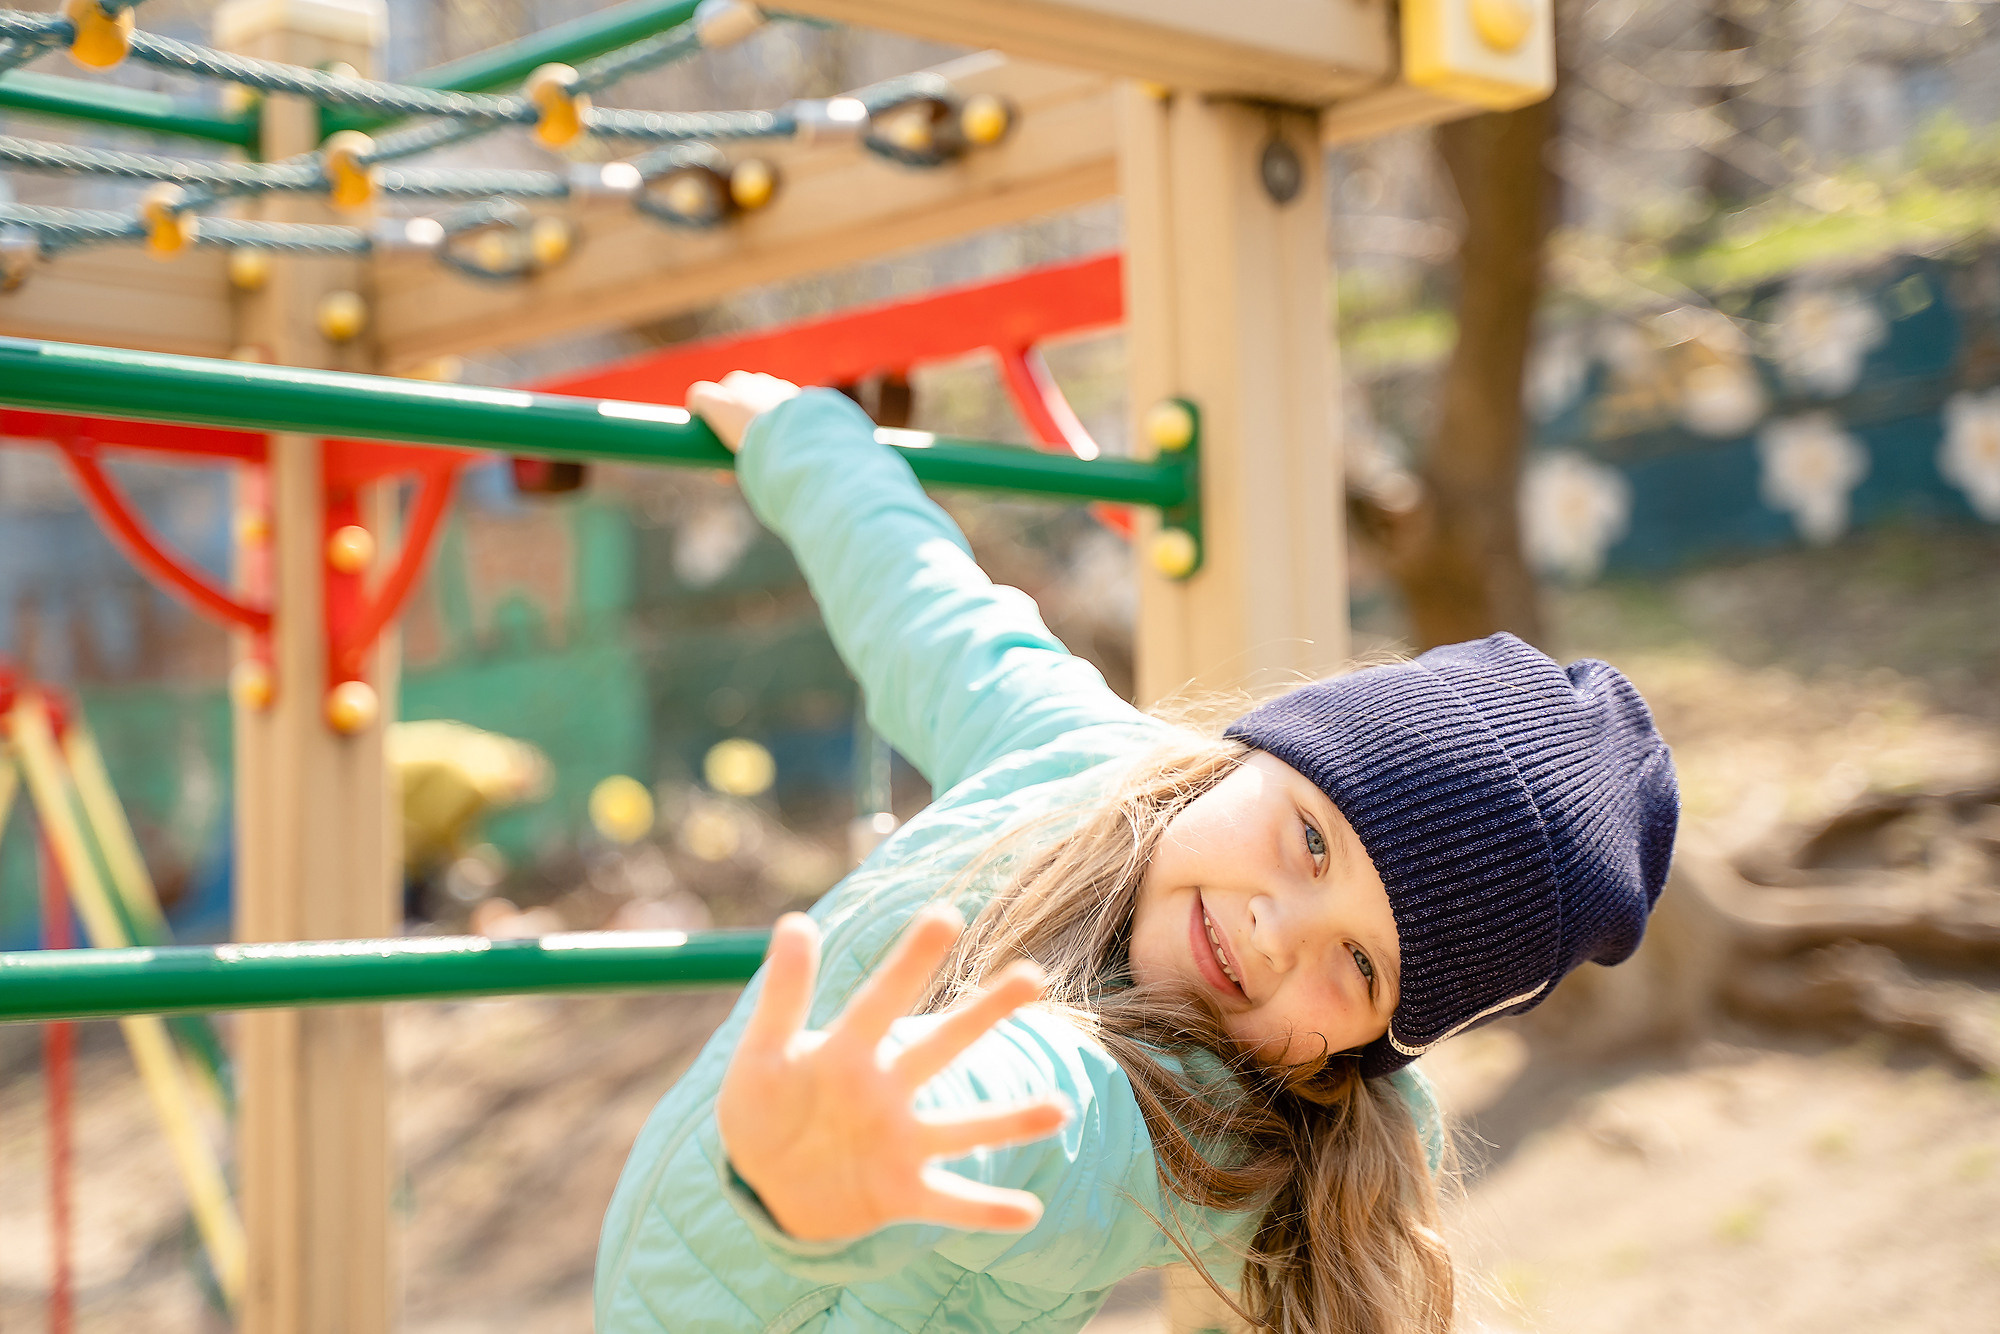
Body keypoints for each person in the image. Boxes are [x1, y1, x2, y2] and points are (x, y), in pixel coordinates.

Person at [594, 374, 1679, 1334]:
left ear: (1362, 1048)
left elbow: (1043, 1115)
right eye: (1308, 838)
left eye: (1358, 966)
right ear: (1251, 751)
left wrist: (882, 1144)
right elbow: (928, 612)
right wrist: (805, 441)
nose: (1275, 933)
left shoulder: (1192, 1123)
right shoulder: (1076, 761)